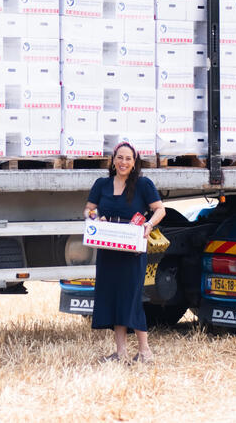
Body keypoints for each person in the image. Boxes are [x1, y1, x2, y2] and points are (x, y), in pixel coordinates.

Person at [83, 141, 165, 363]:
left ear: (134, 161)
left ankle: (145, 351)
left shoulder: (143, 185)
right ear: (113, 159)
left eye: (128, 158)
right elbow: (89, 209)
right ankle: (121, 353)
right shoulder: (101, 184)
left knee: (131, 297)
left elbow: (160, 209)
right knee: (113, 297)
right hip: (109, 249)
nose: (123, 162)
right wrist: (94, 218)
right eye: (120, 157)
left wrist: (149, 225)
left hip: (132, 250)